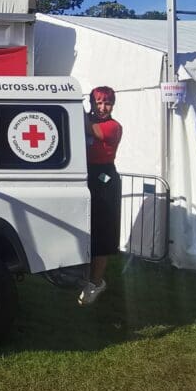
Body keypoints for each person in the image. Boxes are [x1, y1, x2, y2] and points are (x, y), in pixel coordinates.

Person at [80, 86, 122, 306]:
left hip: (104, 180)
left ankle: (96, 282)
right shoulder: (89, 119)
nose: (102, 107)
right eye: (98, 102)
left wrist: (76, 108)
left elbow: (90, 129)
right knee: (87, 229)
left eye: (107, 103)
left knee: (102, 233)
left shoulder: (113, 127)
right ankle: (86, 277)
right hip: (86, 176)